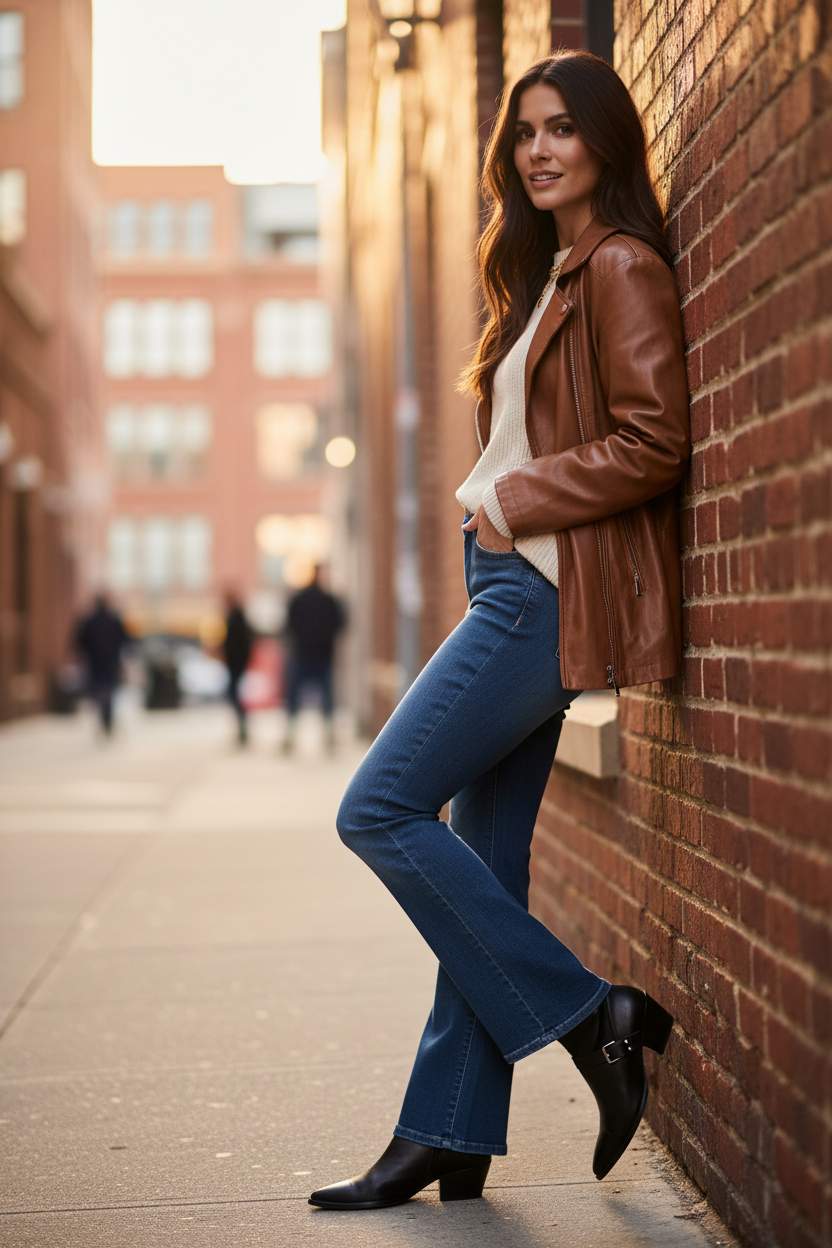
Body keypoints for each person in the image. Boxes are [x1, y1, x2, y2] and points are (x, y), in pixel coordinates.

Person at [309, 51, 690, 1212]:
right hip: (509, 583)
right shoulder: (549, 277)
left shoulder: (618, 266)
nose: (537, 149)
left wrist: (510, 502)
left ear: (604, 146)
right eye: (522, 131)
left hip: (539, 590)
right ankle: (449, 1130)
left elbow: (654, 439)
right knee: (485, 867)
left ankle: (590, 1018)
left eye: (562, 128)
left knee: (375, 809)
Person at [282, 566, 345, 754]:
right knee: (319, 699)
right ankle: (318, 737)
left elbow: (289, 625)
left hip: (310, 654)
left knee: (301, 698)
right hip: (314, 655)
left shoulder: (303, 600)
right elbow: (340, 624)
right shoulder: (327, 601)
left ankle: (298, 738)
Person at [74, 594, 128, 735]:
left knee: (100, 691)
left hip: (96, 663)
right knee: (108, 691)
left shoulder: (90, 621)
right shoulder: (114, 620)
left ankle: (105, 720)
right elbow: (124, 640)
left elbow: (80, 642)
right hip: (110, 662)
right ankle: (107, 720)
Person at [222, 591, 254, 745]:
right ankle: (242, 728)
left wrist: (239, 661)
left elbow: (240, 642)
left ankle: (243, 728)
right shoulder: (235, 616)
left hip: (236, 664)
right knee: (234, 695)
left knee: (234, 695)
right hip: (235, 664)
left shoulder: (236, 616)